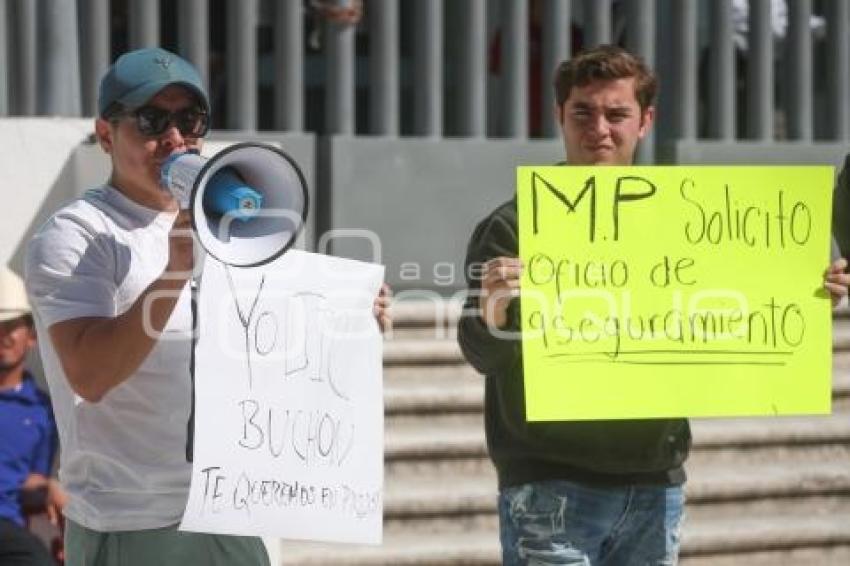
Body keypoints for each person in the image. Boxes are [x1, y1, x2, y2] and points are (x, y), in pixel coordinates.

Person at [458, 44, 849, 566]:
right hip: (550, 489)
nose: (600, 128)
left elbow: (737, 316)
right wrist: (493, 311)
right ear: (559, 117)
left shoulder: (685, 222)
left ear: (645, 121)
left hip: (655, 488)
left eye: (616, 114)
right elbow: (482, 354)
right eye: (583, 112)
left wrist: (808, 290)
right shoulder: (513, 224)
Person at [24, 46, 391, 566]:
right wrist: (176, 268)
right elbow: (90, 374)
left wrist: (343, 318)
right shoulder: (78, 234)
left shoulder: (226, 225)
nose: (175, 139)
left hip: (225, 508)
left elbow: (262, 344)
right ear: (106, 134)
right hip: (132, 521)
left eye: (190, 119)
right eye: (152, 120)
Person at [0, 267, 65, 566]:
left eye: (11, 325)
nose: (3, 336)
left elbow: (30, 484)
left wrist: (49, 488)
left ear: (31, 336)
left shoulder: (43, 411)